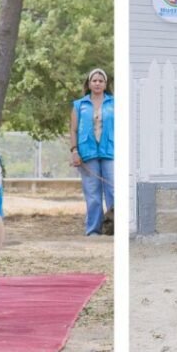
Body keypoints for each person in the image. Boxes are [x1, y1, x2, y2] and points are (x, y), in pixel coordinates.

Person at [70, 68, 114, 236]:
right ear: (88, 84)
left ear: (105, 84)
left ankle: (112, 229)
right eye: (94, 80)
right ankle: (93, 230)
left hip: (110, 152)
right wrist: (74, 151)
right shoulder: (79, 105)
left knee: (113, 192)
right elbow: (73, 130)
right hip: (87, 153)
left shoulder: (115, 103)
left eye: (100, 81)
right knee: (93, 194)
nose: (97, 83)